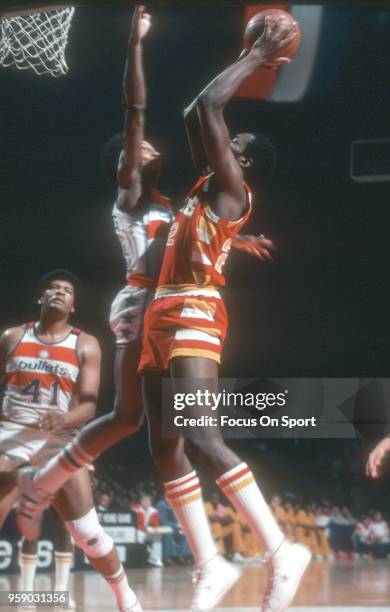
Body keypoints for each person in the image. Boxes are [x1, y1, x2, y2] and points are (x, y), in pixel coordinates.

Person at [136, 14, 310, 612]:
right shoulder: (207, 190)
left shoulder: (233, 188)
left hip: (194, 313)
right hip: (161, 313)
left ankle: (282, 548)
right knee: (164, 445)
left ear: (247, 165)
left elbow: (210, 105)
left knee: (203, 436)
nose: (223, 143)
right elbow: (195, 114)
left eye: (234, 146)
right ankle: (211, 564)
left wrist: (258, 56)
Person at [0, 270, 140, 611]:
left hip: (58, 437)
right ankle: (27, 597)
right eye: (53, 288)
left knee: (86, 533)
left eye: (67, 290)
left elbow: (90, 405)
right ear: (41, 298)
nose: (59, 292)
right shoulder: (11, 336)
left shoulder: (85, 342)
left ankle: (126, 598)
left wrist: (64, 418)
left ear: (73, 305)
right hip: (10, 433)